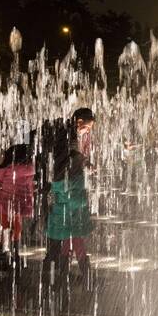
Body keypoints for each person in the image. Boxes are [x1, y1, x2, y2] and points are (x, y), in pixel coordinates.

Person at [44, 108, 95, 283]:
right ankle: (83, 273)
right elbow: (70, 157)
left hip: (61, 184)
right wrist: (86, 162)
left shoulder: (63, 133)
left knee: (67, 234)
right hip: (68, 185)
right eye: (87, 128)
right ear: (79, 122)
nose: (87, 132)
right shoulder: (68, 135)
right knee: (74, 233)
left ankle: (62, 271)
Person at [0, 139, 35, 269]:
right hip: (20, 202)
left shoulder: (6, 168)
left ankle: (3, 248)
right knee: (17, 225)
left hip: (5, 200)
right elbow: (30, 184)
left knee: (5, 225)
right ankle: (15, 249)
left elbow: (0, 180)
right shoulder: (30, 169)